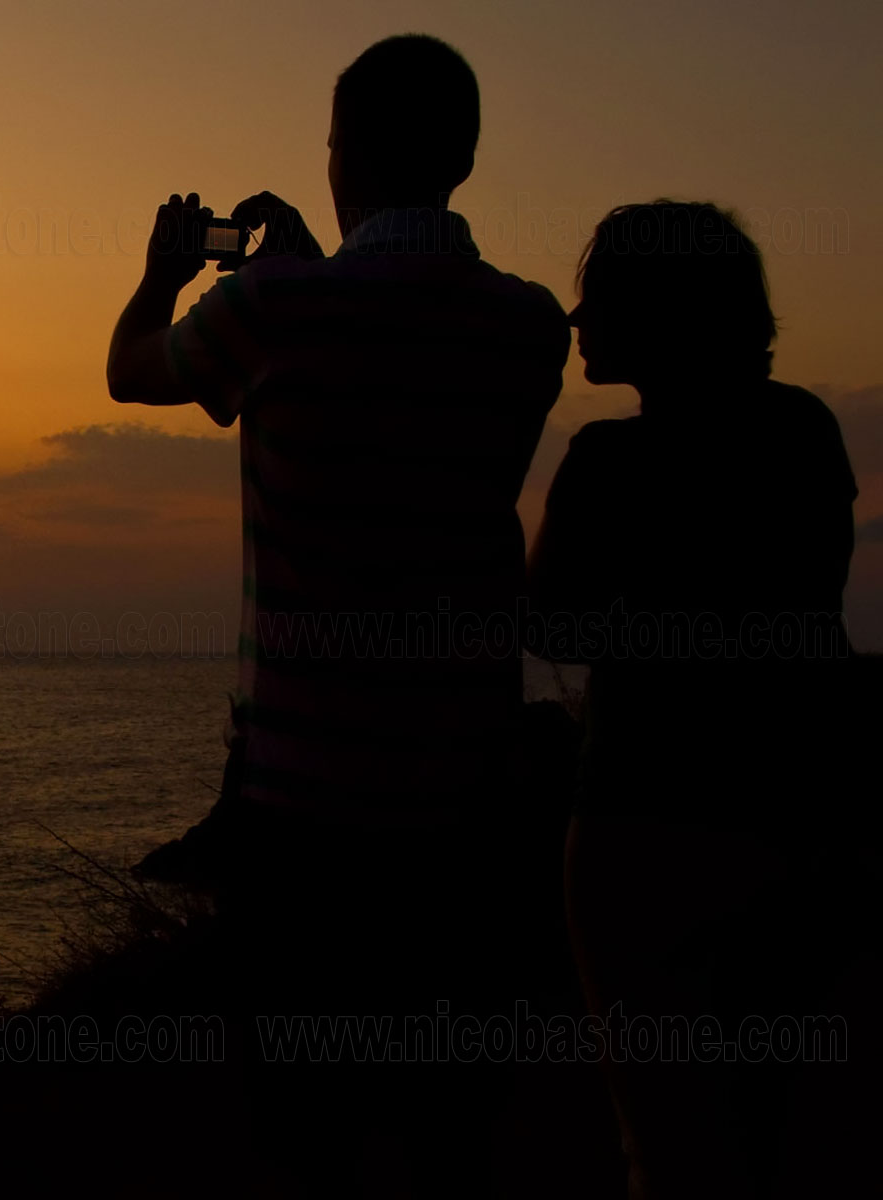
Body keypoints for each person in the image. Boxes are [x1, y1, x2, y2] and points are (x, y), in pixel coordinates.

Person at [107, 34, 570, 1194]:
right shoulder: (526, 327)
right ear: (464, 153)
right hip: (470, 810)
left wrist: (166, 271)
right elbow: (396, 360)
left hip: (306, 822)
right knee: (451, 1136)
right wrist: (313, 272)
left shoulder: (272, 309)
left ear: (341, 150)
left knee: (301, 1138)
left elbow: (130, 369)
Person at [530, 200, 873, 1198]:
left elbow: (552, 624)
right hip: (799, 816)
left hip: (641, 823)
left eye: (598, 297)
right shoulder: (805, 431)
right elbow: (812, 601)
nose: (576, 316)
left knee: (667, 1145)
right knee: (782, 1132)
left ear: (656, 311)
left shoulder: (606, 460)